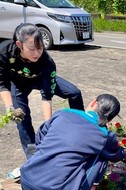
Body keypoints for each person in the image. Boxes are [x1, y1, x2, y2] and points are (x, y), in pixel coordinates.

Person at [20, 94, 126, 190]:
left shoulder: (63, 113)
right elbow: (115, 155)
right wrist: (124, 154)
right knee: (102, 158)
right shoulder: (104, 135)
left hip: (26, 184)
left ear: (93, 103)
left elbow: (40, 137)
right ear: (110, 119)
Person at [0, 23, 84, 159]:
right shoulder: (4, 52)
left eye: (40, 48)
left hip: (40, 78)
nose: (37, 53)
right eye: (32, 49)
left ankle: (80, 129)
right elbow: (2, 84)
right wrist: (9, 107)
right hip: (18, 83)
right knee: (22, 117)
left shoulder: (46, 62)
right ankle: (33, 157)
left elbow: (47, 97)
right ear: (19, 44)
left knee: (74, 93)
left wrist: (48, 128)